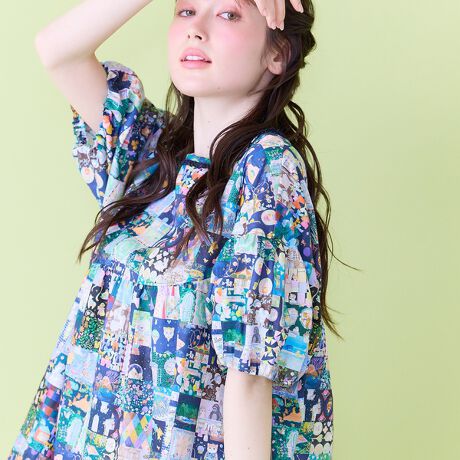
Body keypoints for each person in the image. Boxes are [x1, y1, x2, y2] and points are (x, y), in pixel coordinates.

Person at [9, 0, 339, 459]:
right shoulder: (155, 158)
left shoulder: (267, 169)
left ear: (277, 53)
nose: (195, 30)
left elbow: (250, 373)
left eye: (227, 14)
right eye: (186, 10)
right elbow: (57, 51)